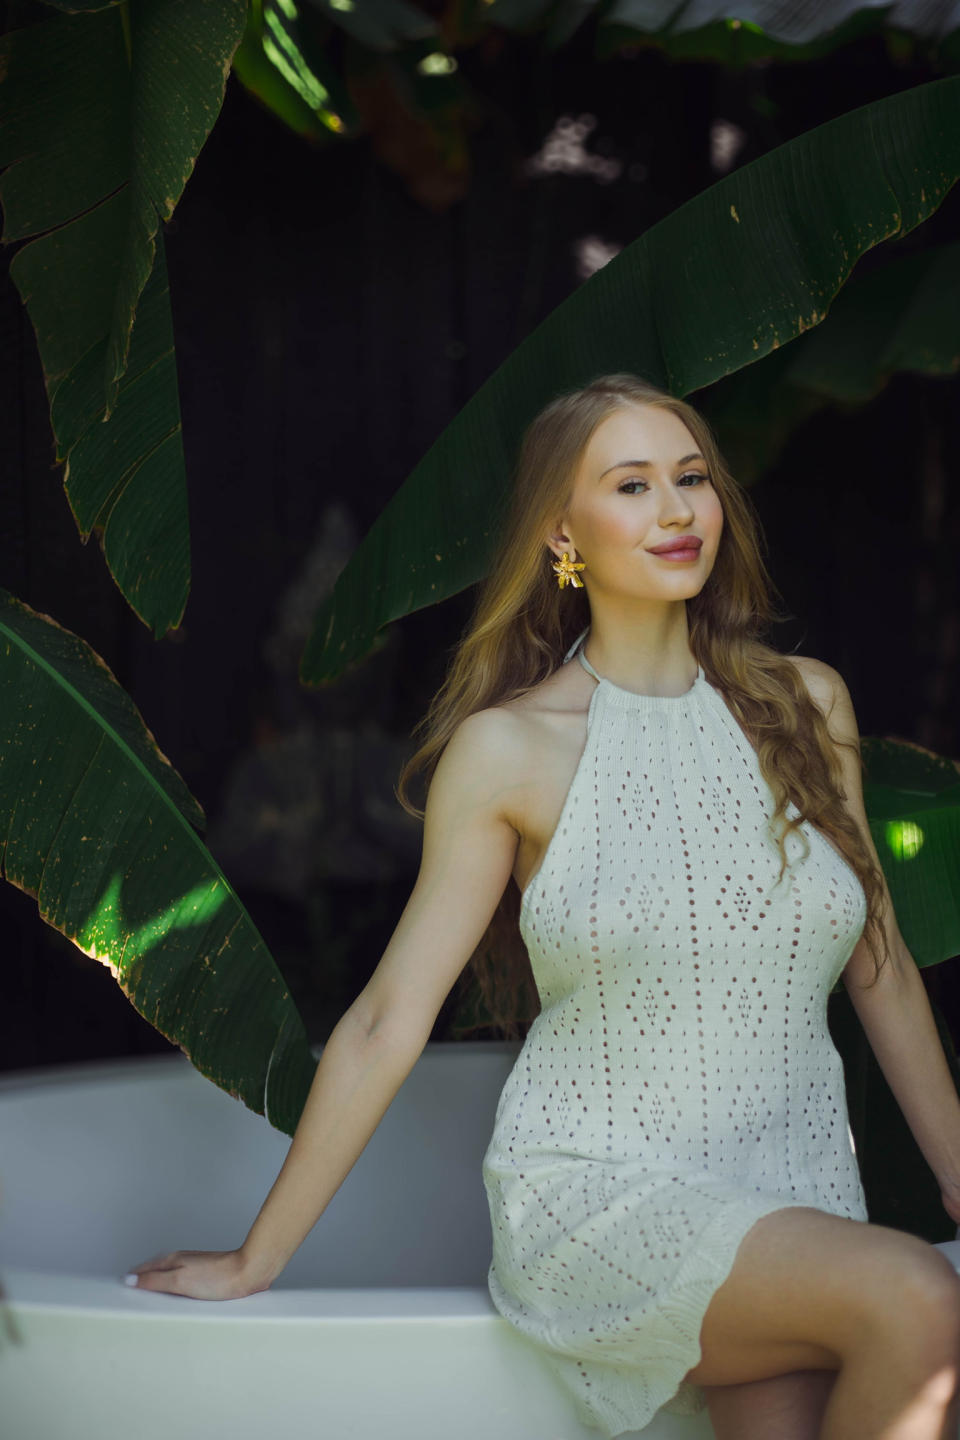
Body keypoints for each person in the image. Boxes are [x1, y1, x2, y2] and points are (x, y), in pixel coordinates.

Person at [125, 374, 960, 1440]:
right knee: (921, 1297)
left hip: (793, 1192)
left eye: (693, 478)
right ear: (563, 533)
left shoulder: (808, 704)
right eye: (632, 485)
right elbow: (387, 1018)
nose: (676, 510)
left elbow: (880, 964)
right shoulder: (509, 749)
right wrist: (258, 1258)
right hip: (603, 1199)